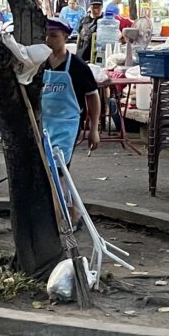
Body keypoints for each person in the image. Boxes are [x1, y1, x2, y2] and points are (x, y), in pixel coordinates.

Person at [41, 19, 101, 222]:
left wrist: (94, 129)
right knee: (47, 169)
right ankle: (64, 211)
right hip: (44, 123)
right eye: (47, 35)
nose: (49, 40)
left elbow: (93, 96)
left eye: (54, 36)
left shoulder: (77, 66)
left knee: (59, 168)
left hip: (67, 124)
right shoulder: (40, 63)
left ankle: (69, 214)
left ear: (66, 38)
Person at [76, 0, 105, 64]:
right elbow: (79, 37)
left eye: (98, 7)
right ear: (90, 7)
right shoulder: (84, 20)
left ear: (102, 7)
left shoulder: (105, 21)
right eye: (94, 7)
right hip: (83, 55)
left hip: (99, 55)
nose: (96, 10)